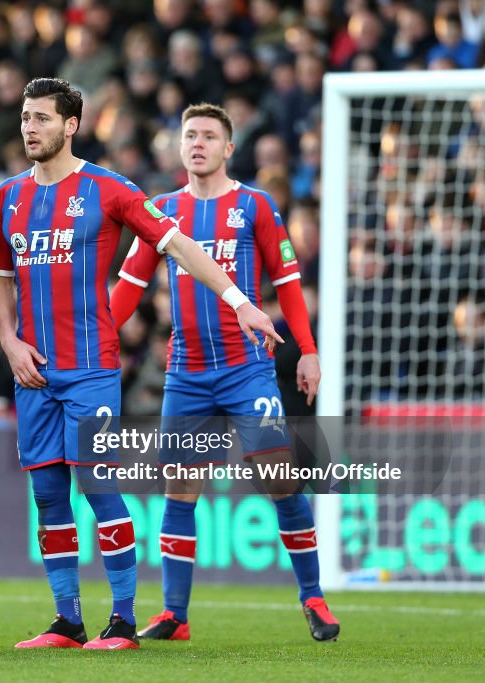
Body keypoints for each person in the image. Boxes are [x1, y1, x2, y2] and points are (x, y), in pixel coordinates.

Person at [0, 78, 281, 651]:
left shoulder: (109, 189)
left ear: (71, 126)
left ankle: (122, 621)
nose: (30, 127)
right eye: (25, 117)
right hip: (32, 371)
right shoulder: (7, 196)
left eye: (42, 118)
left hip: (91, 367)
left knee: (98, 486)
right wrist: (9, 342)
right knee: (47, 495)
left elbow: (181, 246)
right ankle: (66, 621)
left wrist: (241, 302)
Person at [109, 102, 339, 642]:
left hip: (247, 368)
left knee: (279, 479)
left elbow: (286, 283)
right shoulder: (161, 210)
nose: (198, 143)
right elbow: (130, 288)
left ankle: (314, 597)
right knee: (180, 490)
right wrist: (94, 338)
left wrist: (307, 350)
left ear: (228, 148)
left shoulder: (254, 205)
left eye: (209, 136)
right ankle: (175, 615)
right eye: (190, 135)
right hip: (186, 371)